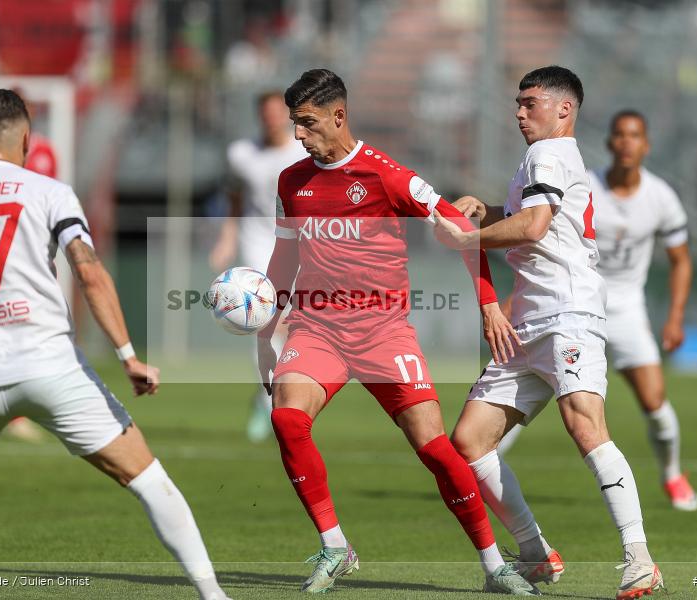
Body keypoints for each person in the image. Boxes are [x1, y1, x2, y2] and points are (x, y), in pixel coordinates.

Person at [0, 89, 231, 600]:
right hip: (52, 373)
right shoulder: (48, 191)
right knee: (147, 476)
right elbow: (89, 273)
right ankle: (212, 594)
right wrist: (128, 356)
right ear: (27, 138)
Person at [256, 69, 534, 595]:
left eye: (307, 123)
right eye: (294, 123)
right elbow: (283, 256)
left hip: (384, 332)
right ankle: (335, 546)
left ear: (339, 116)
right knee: (287, 420)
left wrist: (489, 305)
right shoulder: (291, 181)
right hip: (317, 328)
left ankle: (495, 564)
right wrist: (264, 333)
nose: (297, 135)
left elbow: (462, 233)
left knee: (433, 448)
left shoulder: (389, 177)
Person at [433, 66, 664, 599]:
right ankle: (535, 553)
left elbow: (532, 228)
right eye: (517, 102)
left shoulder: (550, 153)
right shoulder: (542, 160)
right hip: (528, 322)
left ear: (564, 109)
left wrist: (466, 239)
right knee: (470, 440)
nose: (518, 111)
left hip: (567, 311)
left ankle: (639, 560)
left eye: (529, 102)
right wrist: (483, 210)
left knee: (585, 425)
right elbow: (529, 218)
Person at [498, 110, 697, 512]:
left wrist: (675, 317)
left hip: (623, 308)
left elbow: (681, 260)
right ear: (609, 143)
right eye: (619, 135)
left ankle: (673, 474)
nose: (626, 142)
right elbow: (545, 236)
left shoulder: (660, 196)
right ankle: (487, 461)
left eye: (635, 135)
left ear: (646, 144)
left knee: (654, 401)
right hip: (573, 299)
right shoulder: (586, 183)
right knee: (515, 385)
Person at [209, 90, 307, 442]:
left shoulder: (303, 150)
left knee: (292, 329)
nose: (271, 119)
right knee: (265, 320)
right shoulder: (241, 154)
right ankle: (272, 405)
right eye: (264, 113)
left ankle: (267, 397)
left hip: (297, 245)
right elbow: (235, 201)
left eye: (276, 113)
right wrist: (227, 239)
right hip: (257, 242)